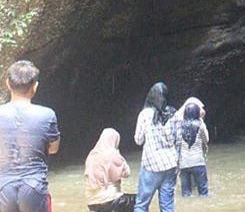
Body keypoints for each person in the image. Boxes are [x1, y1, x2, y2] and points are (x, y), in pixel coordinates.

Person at [0, 60, 60, 212]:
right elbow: (53, 149)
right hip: (34, 185)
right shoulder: (47, 114)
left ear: (8, 83)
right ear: (35, 86)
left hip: (5, 186)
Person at [133, 82, 178, 212]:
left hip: (151, 165)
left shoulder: (145, 114)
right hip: (170, 164)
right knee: (167, 205)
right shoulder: (172, 113)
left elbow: (138, 140)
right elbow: (177, 138)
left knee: (141, 204)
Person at [84, 128, 136, 211]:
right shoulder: (113, 154)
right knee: (139, 201)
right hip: (109, 200)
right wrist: (118, 154)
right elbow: (127, 173)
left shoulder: (91, 155)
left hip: (91, 202)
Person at [176, 101, 209, 197]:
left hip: (184, 164)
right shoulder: (200, 125)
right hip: (198, 162)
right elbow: (206, 140)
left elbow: (177, 143)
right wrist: (202, 122)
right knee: (203, 193)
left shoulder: (179, 126)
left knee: (186, 194)